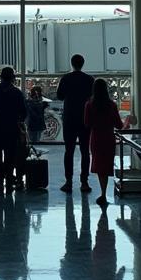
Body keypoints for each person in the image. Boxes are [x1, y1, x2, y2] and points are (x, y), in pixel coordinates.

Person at [56, 54, 95, 193]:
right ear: (83, 64)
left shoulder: (66, 78)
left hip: (69, 118)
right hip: (85, 119)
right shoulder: (90, 79)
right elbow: (93, 97)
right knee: (85, 151)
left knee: (69, 151)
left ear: (72, 64)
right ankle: (84, 182)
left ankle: (68, 182)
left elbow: (59, 96)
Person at [84, 78, 124, 208]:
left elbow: (87, 123)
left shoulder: (89, 104)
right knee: (106, 165)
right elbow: (119, 125)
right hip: (108, 137)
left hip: (96, 137)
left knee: (99, 164)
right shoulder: (111, 105)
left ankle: (102, 193)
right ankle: (104, 192)